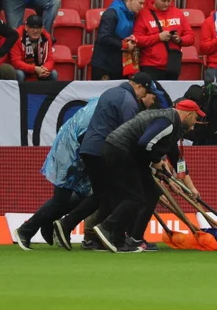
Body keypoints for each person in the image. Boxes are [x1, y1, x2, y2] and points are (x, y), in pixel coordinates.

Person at [51, 72, 158, 250]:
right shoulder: (129, 101)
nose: (144, 97)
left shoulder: (111, 92)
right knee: (121, 195)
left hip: (90, 148)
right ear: (138, 86)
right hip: (104, 150)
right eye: (145, 92)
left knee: (103, 195)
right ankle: (112, 237)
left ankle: (73, 227)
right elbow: (128, 134)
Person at [93, 99, 203, 253]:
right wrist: (157, 162)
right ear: (189, 114)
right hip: (121, 150)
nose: (195, 123)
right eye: (196, 118)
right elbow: (145, 143)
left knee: (151, 193)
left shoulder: (174, 127)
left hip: (126, 152)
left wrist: (191, 188)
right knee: (134, 197)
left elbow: (177, 159)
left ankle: (132, 239)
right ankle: (107, 228)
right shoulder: (168, 122)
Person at [15, 96, 101, 250]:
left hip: (76, 149)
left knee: (82, 196)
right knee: (62, 199)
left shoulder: (104, 103)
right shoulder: (110, 109)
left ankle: (49, 222)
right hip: (70, 151)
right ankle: (25, 231)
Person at [133, 0, 193, 80]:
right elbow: (137, 40)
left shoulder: (177, 12)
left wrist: (179, 39)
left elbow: (190, 36)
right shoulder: (144, 14)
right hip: (150, 66)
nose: (166, 4)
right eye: (163, 1)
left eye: (169, 1)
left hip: (172, 66)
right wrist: (158, 37)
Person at [93, 0, 145, 80]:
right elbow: (103, 37)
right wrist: (124, 44)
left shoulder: (132, 15)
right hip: (104, 65)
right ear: (131, 0)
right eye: (140, 3)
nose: (142, 7)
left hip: (118, 64)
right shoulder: (112, 13)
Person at [8, 14, 56, 81]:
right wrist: (34, 69)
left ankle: (46, 91)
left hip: (39, 69)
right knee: (19, 74)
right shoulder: (16, 36)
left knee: (53, 74)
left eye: (38, 28)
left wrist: (44, 69)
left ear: (42, 28)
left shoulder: (46, 37)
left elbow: (50, 59)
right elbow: (16, 62)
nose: (35, 31)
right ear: (26, 27)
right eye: (32, 28)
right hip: (22, 69)